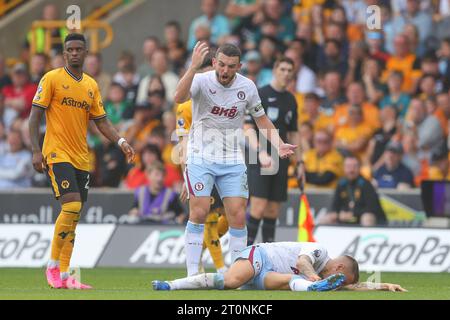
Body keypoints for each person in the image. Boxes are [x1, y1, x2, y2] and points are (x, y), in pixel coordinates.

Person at [174, 42, 297, 277]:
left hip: (232, 158)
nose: (225, 70)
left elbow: (261, 120)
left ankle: (237, 274)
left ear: (238, 67)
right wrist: (192, 68)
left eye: (231, 66)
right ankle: (192, 274)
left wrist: (279, 144)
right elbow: (179, 97)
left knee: (238, 216)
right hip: (200, 155)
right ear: (213, 63)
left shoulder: (248, 87)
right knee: (198, 213)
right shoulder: (200, 80)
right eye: (221, 64)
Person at [28, 33, 135, 290]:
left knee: (73, 217)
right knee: (72, 206)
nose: (74, 53)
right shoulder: (52, 78)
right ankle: (53, 266)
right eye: (70, 50)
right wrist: (35, 149)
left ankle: (65, 276)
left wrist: (121, 141)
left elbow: (101, 121)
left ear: (86, 53)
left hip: (81, 157)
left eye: (79, 49)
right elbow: (34, 116)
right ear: (65, 54)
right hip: (56, 153)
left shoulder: (91, 85)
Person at [153, 241, 406, 292]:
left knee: (287, 281)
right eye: (342, 279)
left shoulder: (329, 278)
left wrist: (384, 286)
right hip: (260, 256)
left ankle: (306, 289)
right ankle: (171, 285)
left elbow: (352, 287)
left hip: (271, 276)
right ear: (339, 266)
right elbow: (301, 262)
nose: (340, 284)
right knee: (228, 283)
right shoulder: (320, 251)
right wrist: (314, 278)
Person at [176, 53, 229, 274]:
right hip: (201, 166)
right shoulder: (185, 108)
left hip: (226, 166)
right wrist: (186, 176)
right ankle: (221, 270)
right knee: (207, 219)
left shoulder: (225, 103)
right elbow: (182, 144)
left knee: (226, 220)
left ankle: (197, 256)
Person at [245, 56, 303, 245]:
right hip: (261, 156)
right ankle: (243, 254)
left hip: (282, 158)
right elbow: (247, 127)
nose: (286, 74)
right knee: (258, 207)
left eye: (289, 71)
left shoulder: (291, 100)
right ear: (275, 70)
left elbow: (293, 133)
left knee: (273, 210)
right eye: (283, 69)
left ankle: (269, 253)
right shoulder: (260, 94)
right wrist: (260, 152)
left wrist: (300, 162)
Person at [320, 155, 387, 227]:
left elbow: (372, 208)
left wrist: (353, 213)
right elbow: (334, 206)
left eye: (354, 167)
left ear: (359, 168)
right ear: (344, 168)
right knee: (327, 218)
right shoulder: (341, 184)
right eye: (348, 167)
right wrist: (339, 214)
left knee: (367, 217)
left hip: (363, 218)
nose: (351, 170)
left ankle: (367, 237)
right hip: (348, 218)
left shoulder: (366, 184)